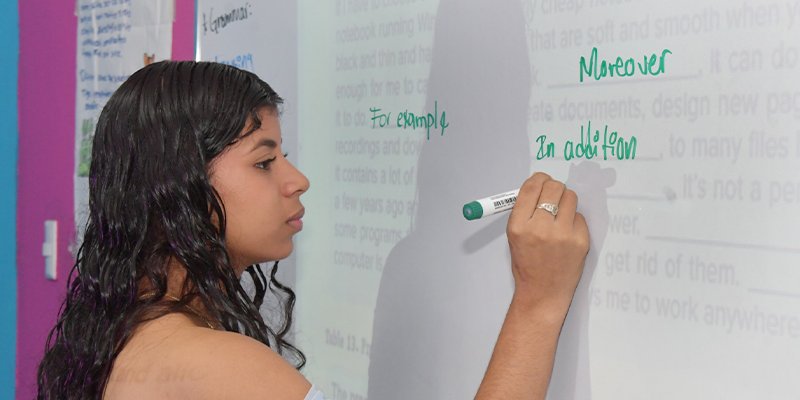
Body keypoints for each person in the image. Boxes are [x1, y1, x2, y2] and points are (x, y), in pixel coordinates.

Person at [36, 61, 589, 399]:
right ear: (178, 186)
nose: (297, 180)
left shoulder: (131, 334)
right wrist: (538, 304)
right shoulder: (215, 366)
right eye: (264, 161)